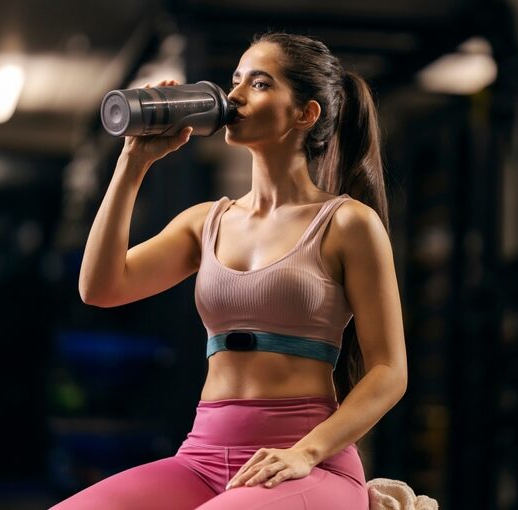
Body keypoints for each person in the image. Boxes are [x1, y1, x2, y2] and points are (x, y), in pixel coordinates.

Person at [54, 31, 407, 510]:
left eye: (259, 84)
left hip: (305, 460)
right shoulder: (207, 221)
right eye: (235, 80)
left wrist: (306, 452)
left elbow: (389, 371)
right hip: (200, 457)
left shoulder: (347, 223)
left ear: (306, 114)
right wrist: (133, 162)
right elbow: (99, 287)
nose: (234, 96)